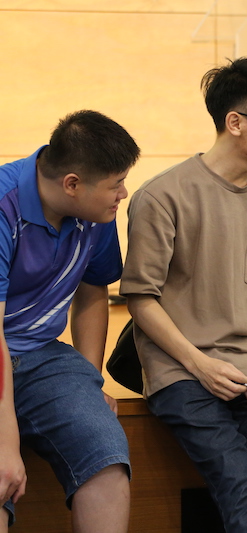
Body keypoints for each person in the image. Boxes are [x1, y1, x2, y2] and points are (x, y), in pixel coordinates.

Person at [120, 57, 247, 533]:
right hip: (182, 371)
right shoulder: (162, 196)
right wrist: (201, 365)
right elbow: (140, 300)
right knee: (244, 488)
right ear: (235, 122)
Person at [0, 110, 139, 532]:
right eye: (116, 184)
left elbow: (94, 290)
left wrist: (89, 381)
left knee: (106, 457)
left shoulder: (97, 213)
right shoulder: (4, 204)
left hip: (42, 355)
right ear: (72, 184)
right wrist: (7, 442)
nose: (124, 193)